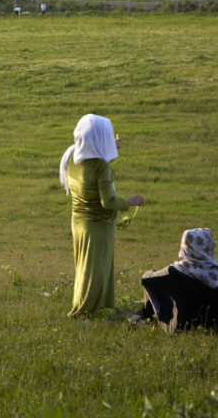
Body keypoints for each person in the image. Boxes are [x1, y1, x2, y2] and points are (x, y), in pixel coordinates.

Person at [61, 114, 143, 317]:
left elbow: (93, 161)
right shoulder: (101, 167)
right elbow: (109, 203)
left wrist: (109, 149)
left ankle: (90, 306)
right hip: (98, 226)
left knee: (84, 267)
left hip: (79, 222)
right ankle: (89, 310)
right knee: (96, 270)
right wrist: (131, 202)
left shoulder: (72, 157)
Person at [136, 228, 218, 332]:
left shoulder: (177, 272)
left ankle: (146, 319)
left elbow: (146, 280)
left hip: (181, 328)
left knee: (153, 278)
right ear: (210, 245)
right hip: (217, 327)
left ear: (185, 246)